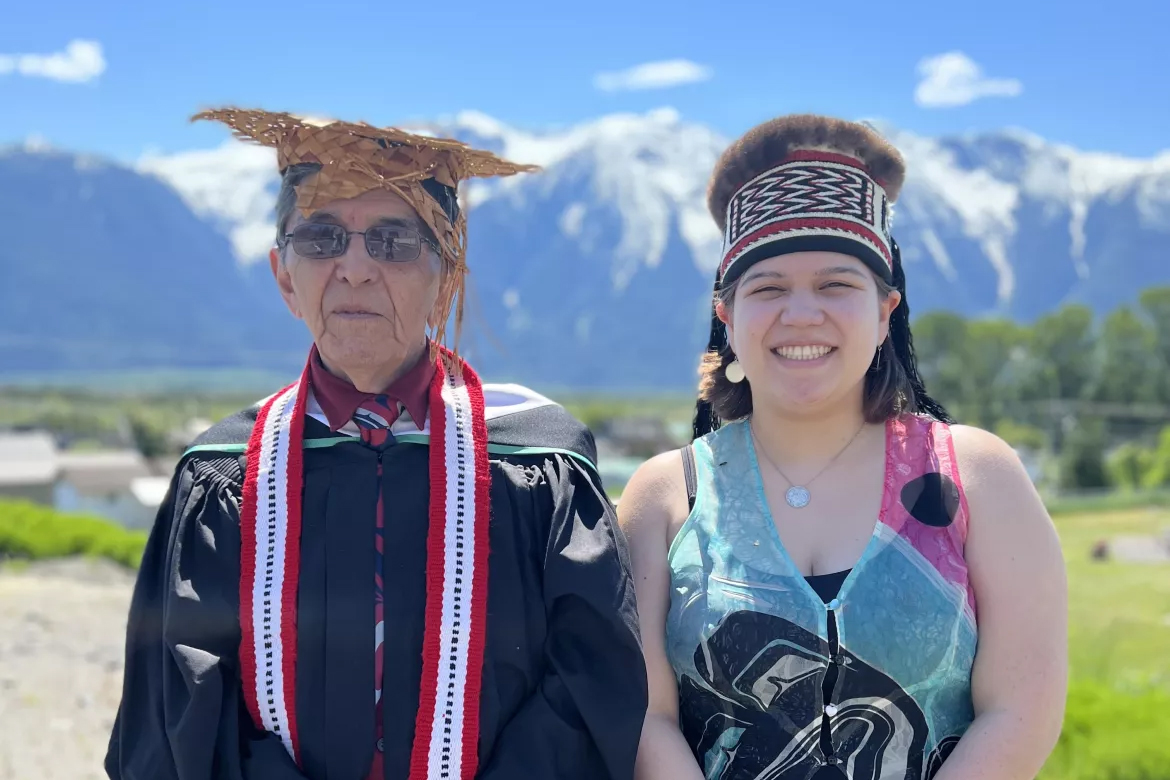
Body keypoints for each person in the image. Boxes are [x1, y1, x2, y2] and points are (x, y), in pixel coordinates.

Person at [105, 107, 647, 780]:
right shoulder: (222, 478)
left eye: (394, 242)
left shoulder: (542, 465)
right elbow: (178, 714)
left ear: (447, 276)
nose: (355, 269)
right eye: (322, 239)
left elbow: (591, 686)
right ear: (283, 275)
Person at [618, 114, 1067, 779]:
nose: (802, 314)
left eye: (836, 285)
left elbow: (1021, 709)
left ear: (886, 313)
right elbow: (646, 716)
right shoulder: (664, 497)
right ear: (728, 319)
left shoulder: (975, 476)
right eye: (768, 288)